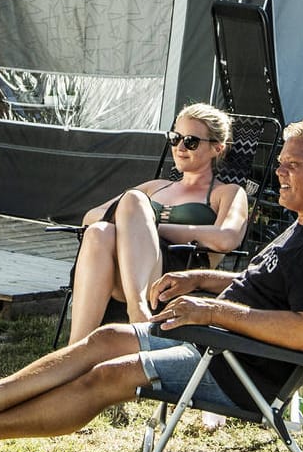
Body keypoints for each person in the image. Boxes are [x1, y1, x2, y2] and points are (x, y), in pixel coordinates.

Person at [0, 118, 303, 452]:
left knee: (107, 375)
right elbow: (264, 287)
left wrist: (213, 311)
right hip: (219, 344)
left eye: (292, 164)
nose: (279, 171)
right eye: (281, 162)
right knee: (104, 338)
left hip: (237, 368)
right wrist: (204, 278)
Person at [65, 103, 251, 346]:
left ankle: (137, 313)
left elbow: (227, 238)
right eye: (175, 138)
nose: (180, 147)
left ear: (217, 148)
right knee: (100, 230)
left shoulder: (227, 193)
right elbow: (91, 216)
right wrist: (133, 226)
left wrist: (149, 227)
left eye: (191, 141)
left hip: (174, 274)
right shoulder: (155, 186)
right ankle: (77, 348)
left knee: (132, 201)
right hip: (122, 271)